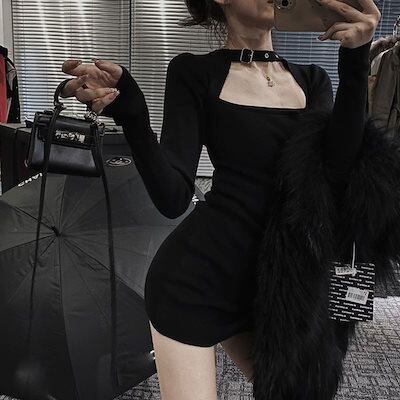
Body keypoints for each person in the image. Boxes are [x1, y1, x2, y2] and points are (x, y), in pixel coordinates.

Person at [60, 0, 381, 398]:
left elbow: (337, 173)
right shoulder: (194, 72)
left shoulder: (312, 79)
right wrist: (132, 111)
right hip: (197, 283)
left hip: (282, 287)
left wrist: (356, 58)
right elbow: (173, 198)